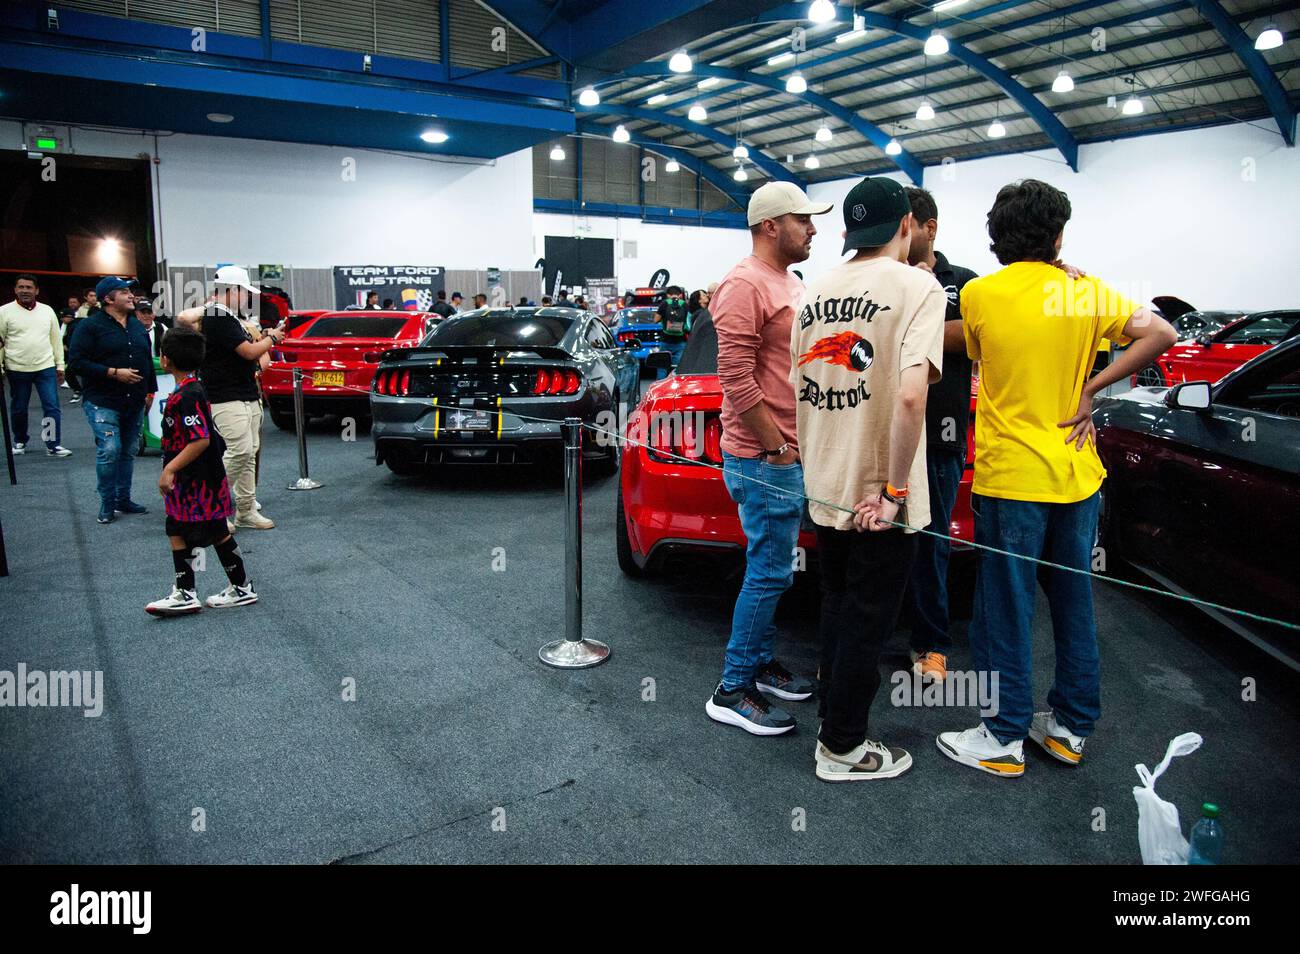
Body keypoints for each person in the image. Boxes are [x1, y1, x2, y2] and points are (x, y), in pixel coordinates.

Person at [937, 180, 1177, 777]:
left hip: (1012, 478)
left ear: (995, 239)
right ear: (1059, 235)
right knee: (1073, 602)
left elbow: (964, 340)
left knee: (1007, 606)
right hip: (1077, 475)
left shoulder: (980, 293)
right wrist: (1093, 388)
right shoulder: (1084, 291)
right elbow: (1161, 333)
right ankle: (1069, 728)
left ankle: (1002, 735)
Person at [791, 177, 946, 781]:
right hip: (880, 492)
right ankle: (843, 748)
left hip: (826, 479)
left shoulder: (814, 290)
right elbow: (910, 397)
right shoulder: (918, 286)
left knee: (836, 603)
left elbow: (797, 385)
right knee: (869, 617)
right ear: (906, 225)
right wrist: (894, 491)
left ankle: (834, 718)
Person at [704, 181, 831, 736]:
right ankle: (732, 687)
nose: (814, 228)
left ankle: (759, 663)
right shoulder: (742, 284)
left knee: (776, 571)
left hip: (786, 453)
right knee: (769, 572)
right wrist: (776, 446)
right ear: (770, 226)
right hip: (765, 457)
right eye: (804, 219)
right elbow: (733, 377)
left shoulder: (789, 281)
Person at [899, 186, 979, 685]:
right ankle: (861, 639)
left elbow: (975, 334)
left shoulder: (965, 284)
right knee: (877, 538)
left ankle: (929, 643)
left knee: (932, 541)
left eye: (910, 226)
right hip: (884, 430)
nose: (902, 235)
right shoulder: (879, 279)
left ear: (930, 228)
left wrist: (920, 309)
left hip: (940, 435)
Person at [146, 326, 260, 616]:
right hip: (198, 477)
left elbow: (199, 439)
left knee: (195, 530)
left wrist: (170, 469)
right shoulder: (191, 390)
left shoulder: (188, 395)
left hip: (197, 480)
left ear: (165, 359)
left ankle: (191, 591)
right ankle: (230, 587)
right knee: (189, 529)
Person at [180, 265, 286, 532]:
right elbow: (250, 352)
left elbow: (251, 354)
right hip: (227, 396)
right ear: (233, 291)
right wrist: (272, 338)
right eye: (244, 292)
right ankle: (208, 504)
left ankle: (245, 509)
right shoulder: (218, 316)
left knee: (248, 452)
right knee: (240, 450)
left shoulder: (227, 317)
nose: (247, 298)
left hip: (243, 393)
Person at [67, 276, 157, 523]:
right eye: (124, 292)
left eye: (130, 291)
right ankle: (107, 503)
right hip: (102, 400)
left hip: (135, 400)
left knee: (127, 451)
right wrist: (113, 373)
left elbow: (146, 360)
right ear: (108, 299)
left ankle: (123, 499)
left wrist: (150, 391)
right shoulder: (89, 327)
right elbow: (75, 363)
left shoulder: (137, 325)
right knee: (109, 450)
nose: (131, 296)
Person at [0, 274, 72, 457]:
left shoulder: (47, 311)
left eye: (29, 287)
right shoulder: (4, 311)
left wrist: (60, 365)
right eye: (21, 287)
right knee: (19, 407)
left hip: (45, 366)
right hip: (17, 367)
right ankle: (20, 440)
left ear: (36, 290)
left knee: (51, 406)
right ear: (15, 290)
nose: (25, 290)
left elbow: (56, 340)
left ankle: (52, 444)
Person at [655, 285, 690, 379]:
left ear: (668, 295)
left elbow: (656, 319)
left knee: (662, 366)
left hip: (665, 340)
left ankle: (660, 388)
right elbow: (689, 323)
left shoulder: (664, 304)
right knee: (677, 369)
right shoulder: (685, 305)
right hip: (680, 341)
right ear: (680, 295)